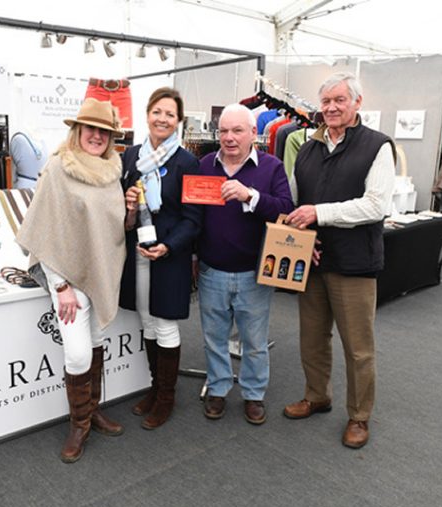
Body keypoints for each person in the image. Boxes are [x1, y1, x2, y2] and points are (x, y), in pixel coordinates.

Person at [283, 72, 396, 449]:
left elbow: (375, 205)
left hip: (354, 264)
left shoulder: (378, 146)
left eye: (339, 100)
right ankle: (317, 396)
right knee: (312, 339)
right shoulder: (306, 149)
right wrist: (300, 235)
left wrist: (319, 214)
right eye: (326, 101)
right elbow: (298, 204)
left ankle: (359, 416)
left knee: (358, 347)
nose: (330, 107)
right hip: (313, 260)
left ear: (357, 103)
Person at [17, 98, 126, 463]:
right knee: (78, 352)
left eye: (104, 131)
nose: (96, 136)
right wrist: (60, 285)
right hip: (66, 277)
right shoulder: (59, 168)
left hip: (99, 272)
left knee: (95, 343)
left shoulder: (112, 170)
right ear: (77, 130)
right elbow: (44, 230)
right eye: (90, 128)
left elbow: (109, 228)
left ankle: (92, 410)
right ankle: (79, 423)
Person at [197, 103, 293, 425]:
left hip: (254, 272)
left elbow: (285, 209)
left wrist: (250, 195)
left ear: (254, 133)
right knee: (214, 337)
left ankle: (253, 394)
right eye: (223, 131)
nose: (229, 137)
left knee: (254, 341)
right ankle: (219, 389)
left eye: (237, 130)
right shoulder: (204, 165)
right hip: (212, 270)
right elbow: (193, 215)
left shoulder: (272, 167)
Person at [120, 87, 202, 429]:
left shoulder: (187, 162)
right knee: (146, 321)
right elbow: (119, 209)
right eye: (157, 112)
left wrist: (168, 246)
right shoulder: (130, 157)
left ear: (178, 121)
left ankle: (166, 398)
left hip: (169, 256)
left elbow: (194, 218)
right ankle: (155, 389)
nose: (162, 119)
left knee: (165, 325)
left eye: (170, 114)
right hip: (136, 253)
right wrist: (125, 208)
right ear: (147, 114)